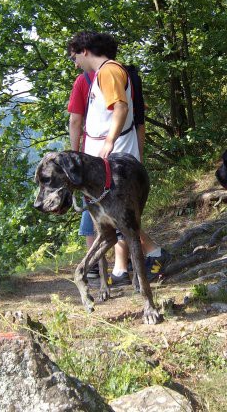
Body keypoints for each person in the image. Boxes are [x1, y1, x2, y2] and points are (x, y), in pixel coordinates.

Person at [66, 31, 168, 286]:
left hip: (113, 155)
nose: (75, 62)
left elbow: (120, 107)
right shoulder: (105, 72)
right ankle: (128, 266)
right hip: (111, 152)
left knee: (117, 212)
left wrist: (109, 142)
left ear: (85, 50)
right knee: (113, 213)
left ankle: (150, 254)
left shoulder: (109, 71)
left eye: (74, 56)